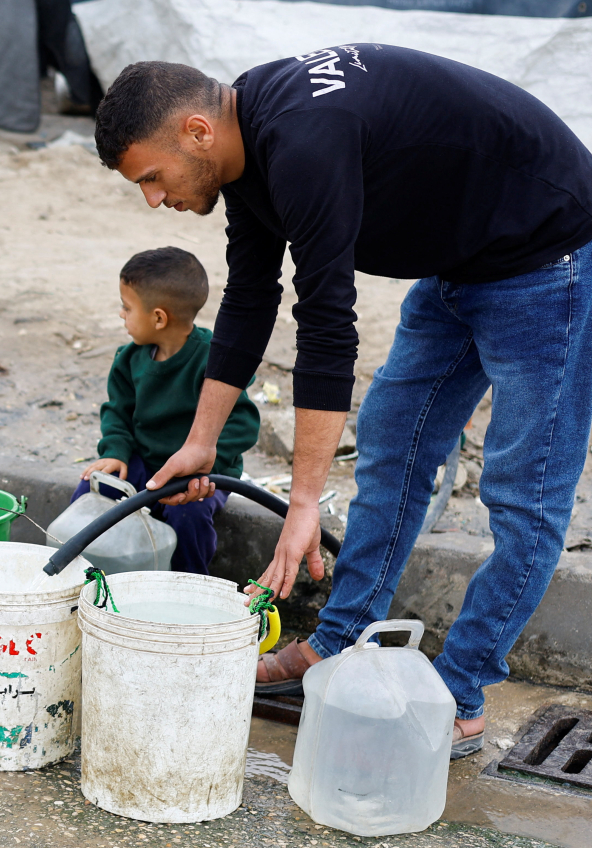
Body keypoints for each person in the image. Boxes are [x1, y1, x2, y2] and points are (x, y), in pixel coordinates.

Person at [92, 46, 592, 760]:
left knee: (525, 494)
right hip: (465, 262)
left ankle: (460, 693)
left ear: (198, 133)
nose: (152, 199)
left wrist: (303, 503)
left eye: (151, 177)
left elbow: (327, 326)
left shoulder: (303, 142)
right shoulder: (247, 141)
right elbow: (251, 296)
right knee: (394, 437)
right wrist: (201, 441)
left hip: (550, 261)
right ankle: (338, 643)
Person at [75, 246, 260, 574]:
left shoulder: (214, 362)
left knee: (189, 516)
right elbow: (117, 412)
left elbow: (243, 423)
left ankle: (188, 586)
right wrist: (116, 451)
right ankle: (83, 575)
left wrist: (208, 465)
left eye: (126, 307)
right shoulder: (129, 359)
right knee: (94, 485)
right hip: (145, 464)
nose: (121, 315)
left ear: (159, 317)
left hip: (202, 476)